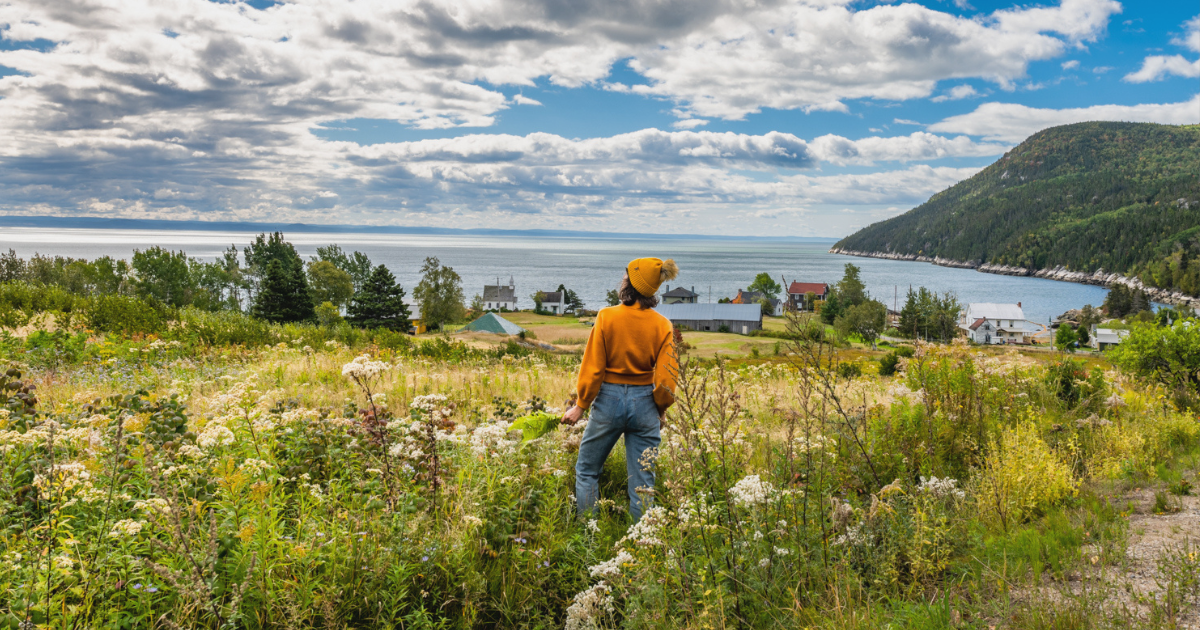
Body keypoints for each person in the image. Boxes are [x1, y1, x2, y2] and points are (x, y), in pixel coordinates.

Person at [562, 257, 679, 521]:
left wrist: (581, 406)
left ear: (629, 283)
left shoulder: (606, 317)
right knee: (643, 482)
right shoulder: (663, 325)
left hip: (609, 401)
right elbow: (666, 382)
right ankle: (642, 545)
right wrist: (660, 409)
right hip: (645, 403)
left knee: (588, 470)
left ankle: (588, 535)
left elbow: (593, 368)